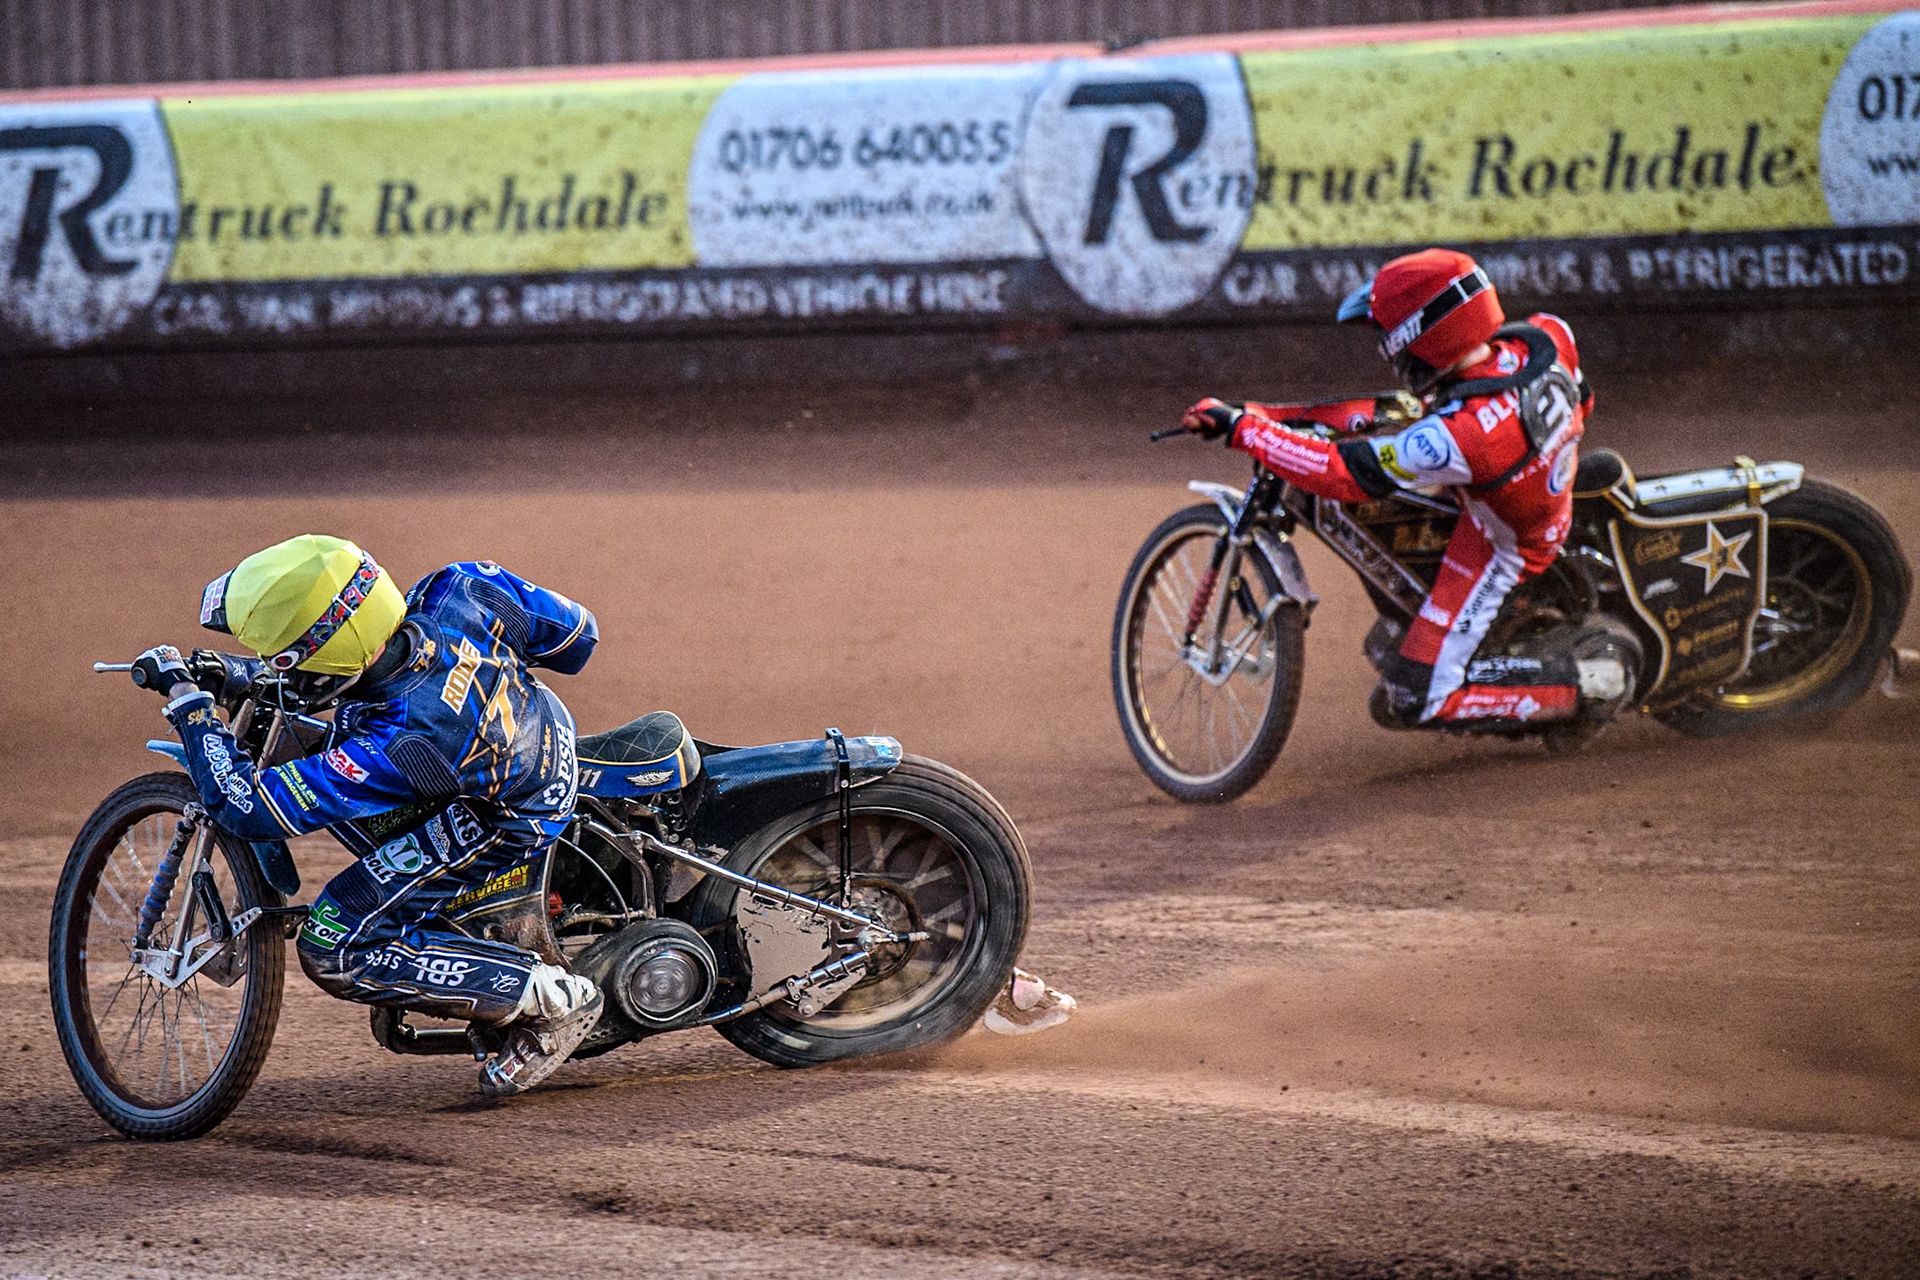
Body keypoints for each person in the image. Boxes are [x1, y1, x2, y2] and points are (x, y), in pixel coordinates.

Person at [128, 534, 604, 1097]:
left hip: (508, 818)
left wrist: (193, 710)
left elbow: (248, 808)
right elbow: (578, 639)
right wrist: (246, 674)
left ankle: (551, 999)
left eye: (282, 661)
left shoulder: (396, 743)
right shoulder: (462, 586)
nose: (275, 670)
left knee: (332, 943)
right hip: (547, 732)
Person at [1181, 248, 1595, 729]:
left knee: (1414, 697)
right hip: (1536, 497)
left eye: (1388, 339)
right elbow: (1584, 401)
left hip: (1505, 549)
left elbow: (1344, 473)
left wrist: (1245, 432)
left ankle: (1582, 686)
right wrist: (1262, 415)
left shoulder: (1461, 437)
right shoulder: (1548, 337)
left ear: (1421, 336)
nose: (1387, 352)